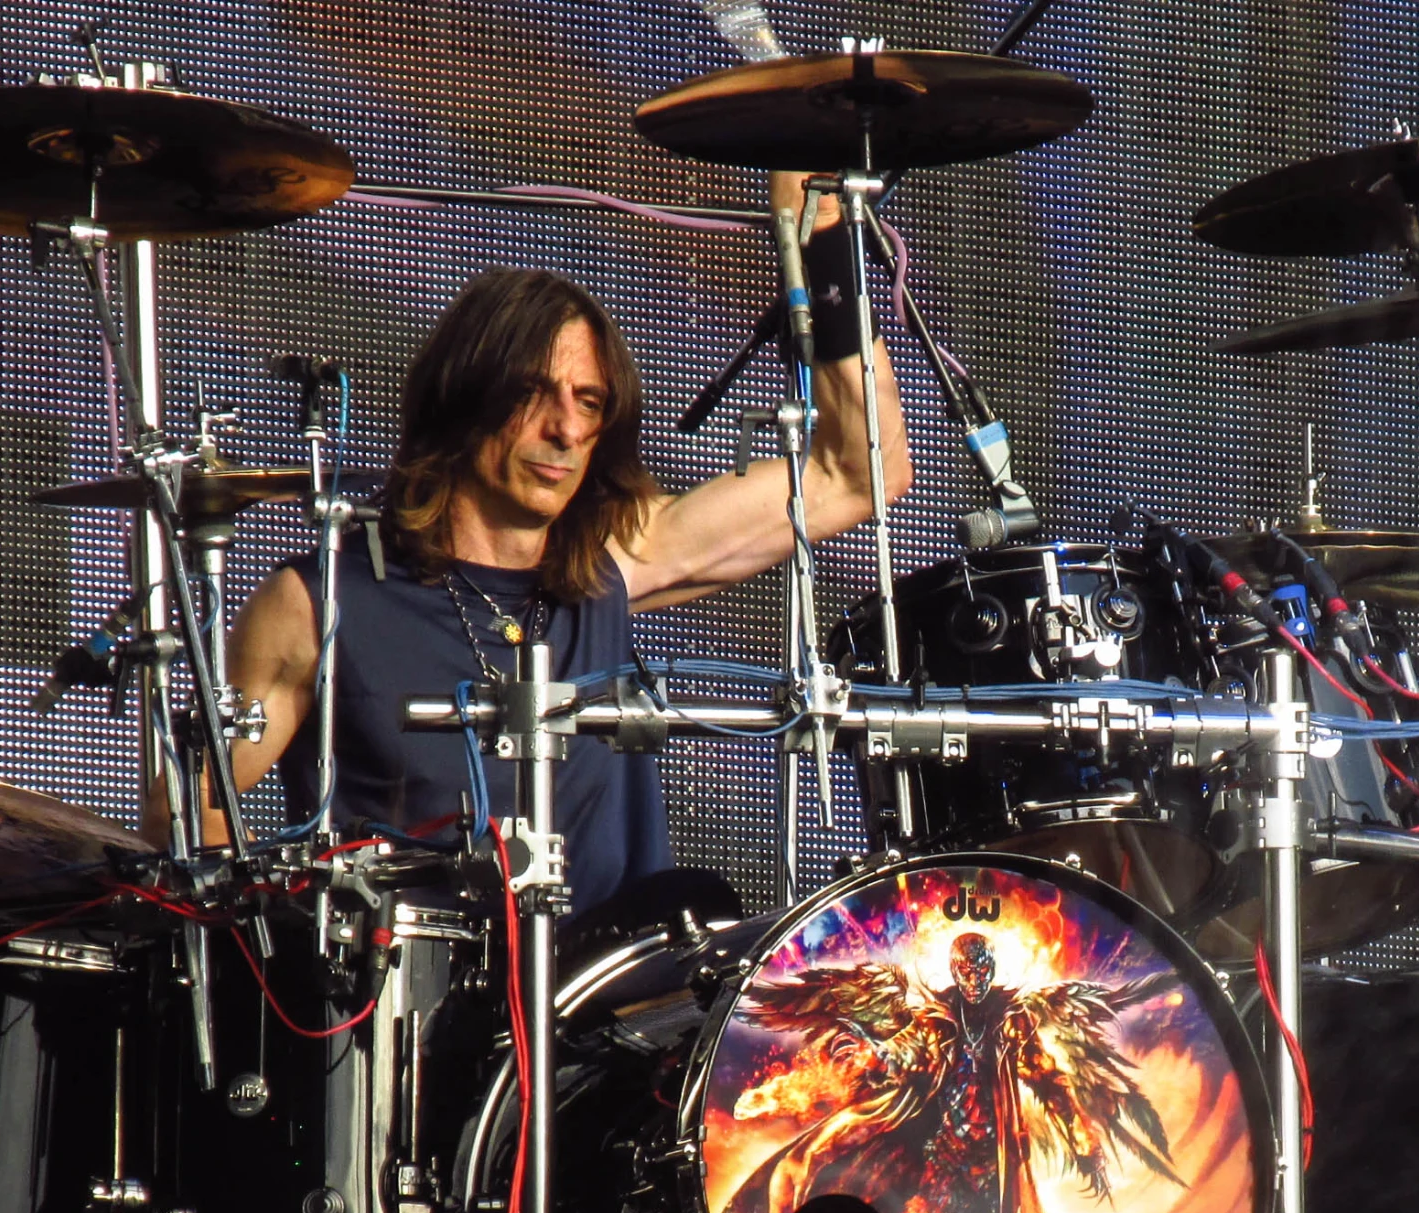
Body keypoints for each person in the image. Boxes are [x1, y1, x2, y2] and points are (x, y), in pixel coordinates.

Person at [150, 171, 912, 915]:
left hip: (609, 1023)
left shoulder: (615, 556)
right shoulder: (318, 602)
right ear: (464, 395)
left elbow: (857, 471)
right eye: (532, 394)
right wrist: (312, 928)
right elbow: (188, 808)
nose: (566, 430)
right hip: (407, 1018)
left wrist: (824, 253)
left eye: (588, 403)